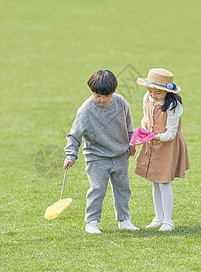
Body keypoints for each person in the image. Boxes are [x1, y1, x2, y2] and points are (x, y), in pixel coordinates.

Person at [63, 69, 139, 234]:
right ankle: (92, 222)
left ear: (113, 92)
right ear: (91, 91)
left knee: (123, 188)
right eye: (97, 96)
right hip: (96, 157)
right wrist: (70, 155)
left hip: (120, 155)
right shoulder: (85, 111)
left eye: (106, 96)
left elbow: (128, 124)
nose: (102, 99)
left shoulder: (120, 102)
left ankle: (124, 220)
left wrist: (132, 143)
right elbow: (74, 135)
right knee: (97, 189)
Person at [134, 68, 190, 231]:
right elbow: (145, 117)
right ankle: (158, 218)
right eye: (150, 91)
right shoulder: (148, 98)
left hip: (167, 144)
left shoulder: (173, 106)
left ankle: (168, 220)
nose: (153, 95)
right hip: (152, 143)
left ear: (167, 92)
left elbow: (171, 133)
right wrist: (144, 127)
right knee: (155, 181)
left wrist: (155, 137)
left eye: (157, 92)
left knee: (164, 182)